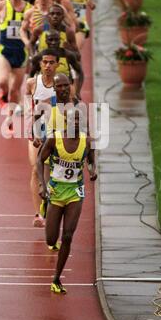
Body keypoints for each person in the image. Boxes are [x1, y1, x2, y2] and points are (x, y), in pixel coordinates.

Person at [37, 107, 97, 294]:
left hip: (75, 193)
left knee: (68, 236)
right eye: (73, 120)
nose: (76, 123)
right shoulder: (55, 138)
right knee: (51, 239)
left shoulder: (86, 141)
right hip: (55, 191)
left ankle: (56, 278)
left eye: (80, 120)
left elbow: (90, 160)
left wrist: (92, 170)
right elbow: (40, 160)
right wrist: (42, 185)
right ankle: (45, 207)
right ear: (67, 122)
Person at [25, 49, 59, 227]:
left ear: (57, 65)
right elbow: (28, 110)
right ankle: (39, 214)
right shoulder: (31, 83)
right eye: (44, 62)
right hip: (37, 132)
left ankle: (50, 206)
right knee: (35, 169)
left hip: (56, 133)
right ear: (40, 64)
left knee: (51, 172)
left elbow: (69, 108)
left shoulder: (63, 84)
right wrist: (33, 133)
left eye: (51, 62)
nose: (47, 65)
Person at [29, 30, 83, 99]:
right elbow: (31, 74)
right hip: (46, 89)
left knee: (74, 104)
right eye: (50, 40)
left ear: (60, 40)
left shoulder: (68, 55)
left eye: (56, 40)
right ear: (46, 41)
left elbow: (80, 72)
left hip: (64, 90)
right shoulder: (40, 57)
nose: (53, 42)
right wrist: (32, 89)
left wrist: (78, 91)